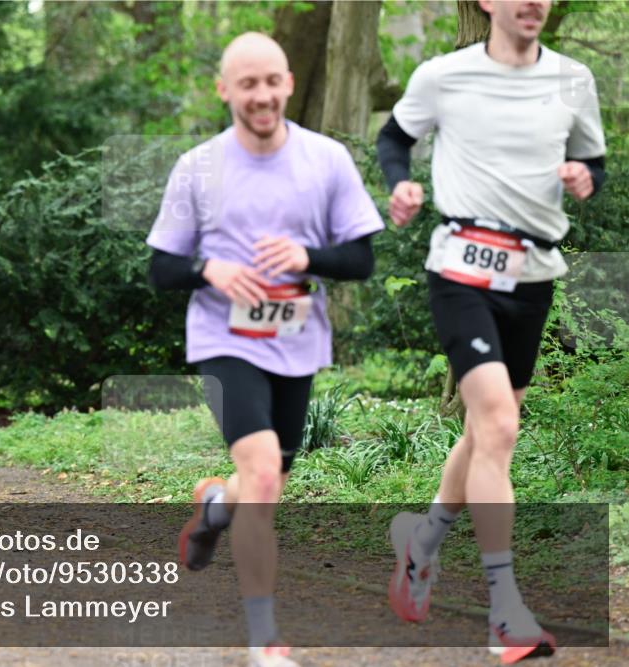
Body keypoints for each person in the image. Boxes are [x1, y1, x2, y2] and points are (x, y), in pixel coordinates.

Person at [375, 1, 606, 662]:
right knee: (500, 424)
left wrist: (585, 176)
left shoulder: (573, 79)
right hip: (460, 269)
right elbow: (394, 139)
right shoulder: (444, 75)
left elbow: (594, 161)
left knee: (486, 431)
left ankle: (420, 544)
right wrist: (401, 185)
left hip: (534, 275)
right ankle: (505, 612)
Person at [147, 33, 383, 667]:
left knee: (265, 482)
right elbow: (162, 268)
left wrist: (308, 256)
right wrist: (212, 271)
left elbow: (361, 258)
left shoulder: (327, 159)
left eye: (271, 82)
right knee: (262, 476)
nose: (262, 95)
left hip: (296, 341)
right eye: (246, 84)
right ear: (225, 90)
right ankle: (264, 638)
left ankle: (214, 506)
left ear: (287, 82)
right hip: (225, 339)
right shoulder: (199, 165)